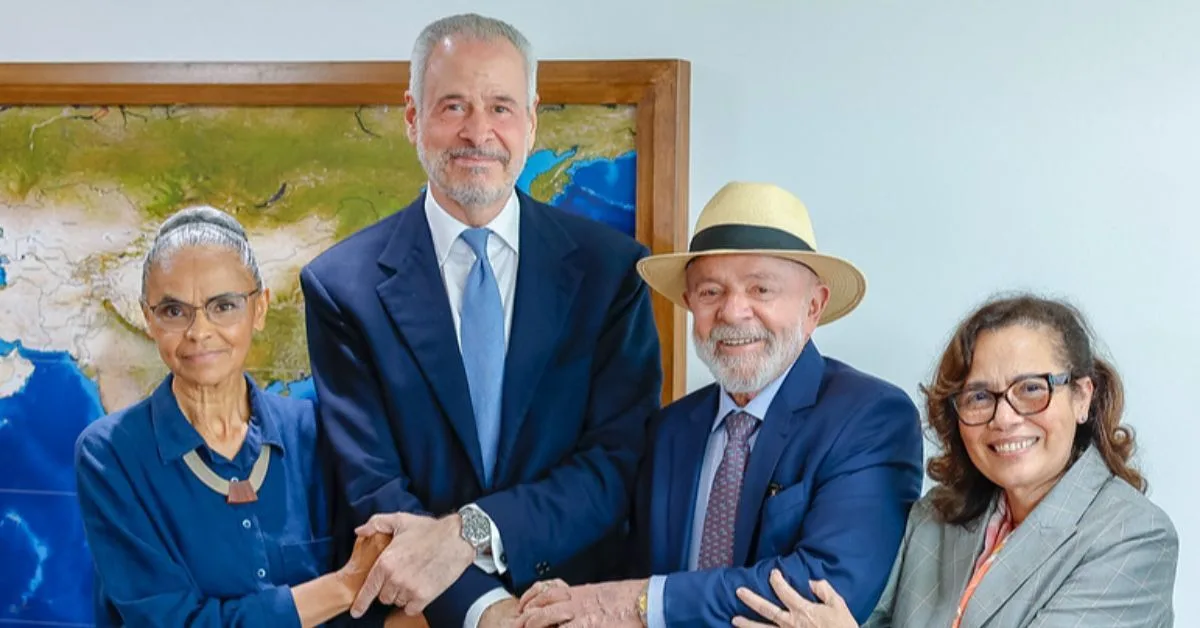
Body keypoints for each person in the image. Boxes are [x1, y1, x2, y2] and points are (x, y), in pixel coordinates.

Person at [298, 12, 663, 628]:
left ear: (532, 119)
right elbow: (371, 483)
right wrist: (483, 609)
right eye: (453, 107)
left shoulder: (611, 272)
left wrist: (473, 532)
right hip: (421, 617)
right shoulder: (341, 287)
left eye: (500, 106)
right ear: (413, 118)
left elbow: (613, 464)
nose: (478, 132)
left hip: (575, 608)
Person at [516, 181, 925, 627]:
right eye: (711, 292)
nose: (733, 312)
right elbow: (623, 558)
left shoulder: (871, 417)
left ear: (814, 306)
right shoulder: (669, 429)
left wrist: (640, 602)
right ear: (690, 303)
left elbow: (821, 590)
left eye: (761, 290)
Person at [733, 294, 1180, 628]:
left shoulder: (1135, 537)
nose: (1004, 418)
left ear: (1083, 396)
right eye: (980, 396)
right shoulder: (934, 518)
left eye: (1031, 388)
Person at [74, 206, 393, 627]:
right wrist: (343, 586)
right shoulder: (109, 456)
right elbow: (171, 622)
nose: (198, 331)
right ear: (148, 318)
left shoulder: (316, 433)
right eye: (173, 311)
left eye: (223, 306)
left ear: (259, 309)